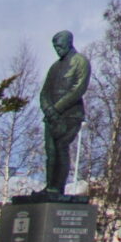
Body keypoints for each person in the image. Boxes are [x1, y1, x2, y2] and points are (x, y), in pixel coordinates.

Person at [39, 31, 90, 197]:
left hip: (70, 115)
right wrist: (48, 110)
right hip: (51, 116)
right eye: (55, 47)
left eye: (60, 46)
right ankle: (50, 186)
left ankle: (58, 187)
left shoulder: (80, 62)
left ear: (69, 43)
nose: (57, 49)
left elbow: (79, 88)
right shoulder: (55, 67)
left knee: (61, 147)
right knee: (50, 151)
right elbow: (45, 92)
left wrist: (57, 108)